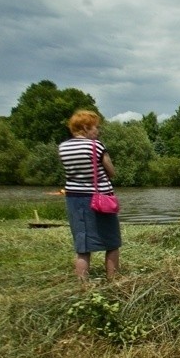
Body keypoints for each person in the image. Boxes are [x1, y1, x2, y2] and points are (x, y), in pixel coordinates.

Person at [58, 109, 121, 282]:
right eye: (95, 127)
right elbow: (111, 171)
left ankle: (82, 285)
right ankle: (113, 281)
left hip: (74, 198)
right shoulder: (95, 145)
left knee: (83, 245)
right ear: (85, 127)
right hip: (99, 198)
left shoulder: (63, 147)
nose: (97, 131)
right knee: (112, 241)